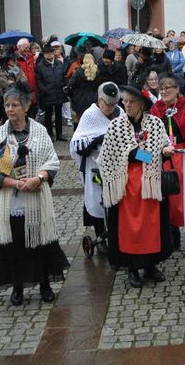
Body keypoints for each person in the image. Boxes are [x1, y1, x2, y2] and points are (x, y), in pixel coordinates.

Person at [0, 83, 68, 305]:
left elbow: (51, 161)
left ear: (27, 106)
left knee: (39, 243)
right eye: (6, 105)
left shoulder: (39, 131)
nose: (10, 110)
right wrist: (16, 184)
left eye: (15, 105)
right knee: (14, 246)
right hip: (10, 201)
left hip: (36, 197)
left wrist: (38, 178)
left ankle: (44, 284)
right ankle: (17, 286)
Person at [97, 84, 174, 288]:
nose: (127, 105)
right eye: (125, 101)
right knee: (130, 227)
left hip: (151, 183)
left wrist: (166, 150)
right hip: (127, 184)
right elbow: (116, 154)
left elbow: (163, 144)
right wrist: (149, 155)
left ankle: (150, 266)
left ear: (141, 104)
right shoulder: (116, 126)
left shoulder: (156, 124)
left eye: (131, 101)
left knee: (151, 225)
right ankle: (132, 268)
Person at [150, 74, 185, 248]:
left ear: (177, 89)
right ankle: (171, 234)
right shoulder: (155, 109)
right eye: (161, 88)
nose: (164, 91)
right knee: (167, 198)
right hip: (163, 158)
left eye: (168, 87)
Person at [70, 82, 124, 254]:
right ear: (100, 100)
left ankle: (120, 234)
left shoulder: (120, 112)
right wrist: (96, 140)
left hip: (118, 166)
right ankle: (101, 236)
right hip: (96, 166)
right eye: (108, 104)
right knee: (99, 201)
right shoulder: (90, 115)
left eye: (114, 104)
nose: (111, 107)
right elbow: (76, 144)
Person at [35, 44, 68, 141]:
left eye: (50, 53)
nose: (49, 55)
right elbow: (38, 80)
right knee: (48, 115)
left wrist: (64, 87)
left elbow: (63, 77)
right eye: (46, 53)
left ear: (53, 53)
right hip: (47, 93)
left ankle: (59, 134)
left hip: (58, 92)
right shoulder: (40, 66)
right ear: (44, 54)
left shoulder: (59, 64)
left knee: (58, 114)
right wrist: (44, 90)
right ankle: (50, 134)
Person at [68, 53, 101, 125]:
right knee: (91, 119)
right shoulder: (97, 72)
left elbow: (71, 84)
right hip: (93, 98)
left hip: (79, 98)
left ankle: (77, 135)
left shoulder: (78, 71)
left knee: (78, 118)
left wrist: (72, 95)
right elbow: (99, 86)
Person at [15, 38, 38, 116]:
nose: (27, 49)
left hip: (32, 91)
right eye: (25, 48)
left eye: (28, 47)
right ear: (19, 47)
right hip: (21, 92)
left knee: (32, 115)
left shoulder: (31, 57)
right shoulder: (14, 59)